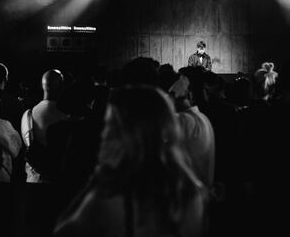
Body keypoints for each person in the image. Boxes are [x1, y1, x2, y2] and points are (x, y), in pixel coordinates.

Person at [54, 86, 205, 237]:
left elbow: (61, 231)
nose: (104, 134)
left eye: (110, 125)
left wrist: (97, 179)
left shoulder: (107, 199)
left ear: (131, 134)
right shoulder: (188, 190)